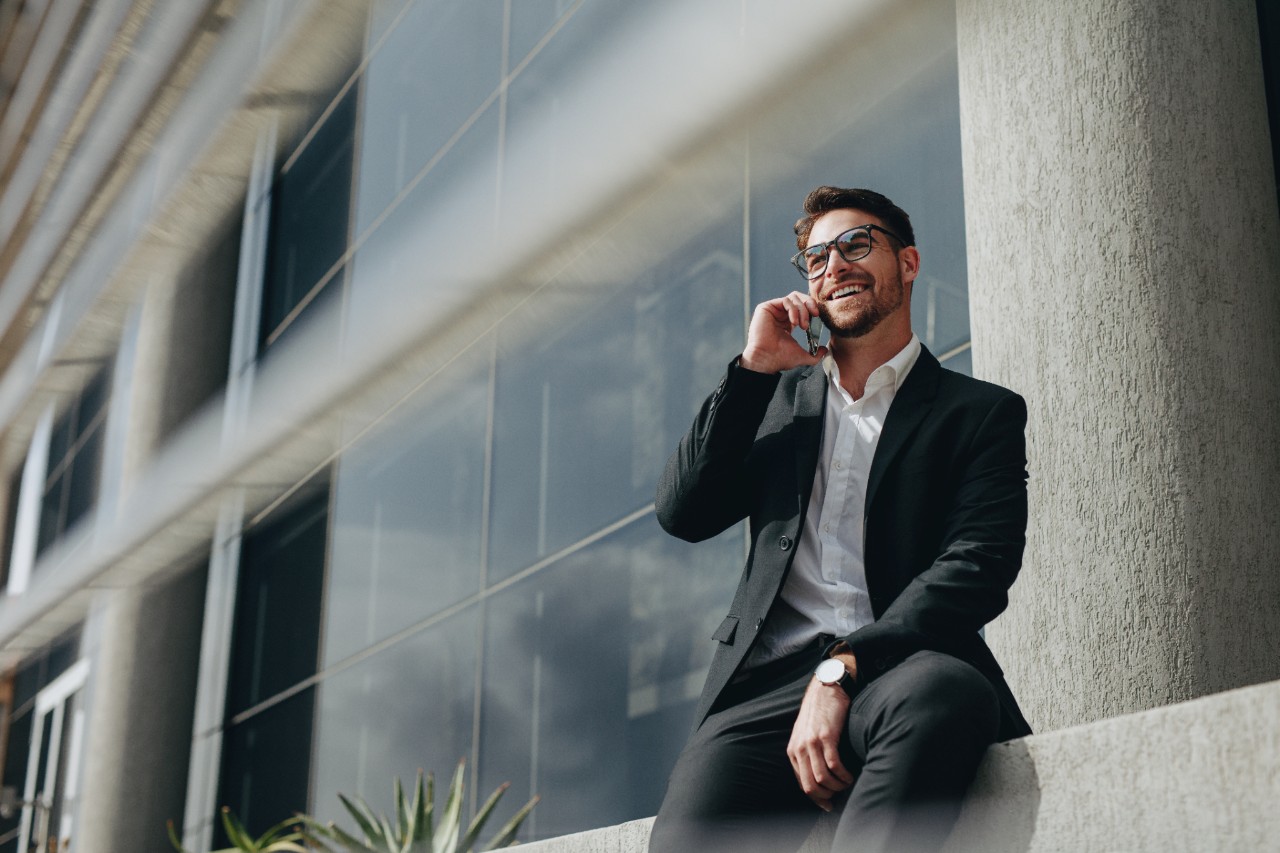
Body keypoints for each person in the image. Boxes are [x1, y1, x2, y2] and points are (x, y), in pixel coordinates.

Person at [648, 187, 1031, 852]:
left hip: (899, 667)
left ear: (907, 263)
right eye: (817, 258)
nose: (836, 265)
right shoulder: (773, 405)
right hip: (761, 695)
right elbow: (683, 512)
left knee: (948, 690)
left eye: (858, 244)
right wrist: (751, 371)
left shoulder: (979, 414)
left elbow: (978, 564)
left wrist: (844, 666)